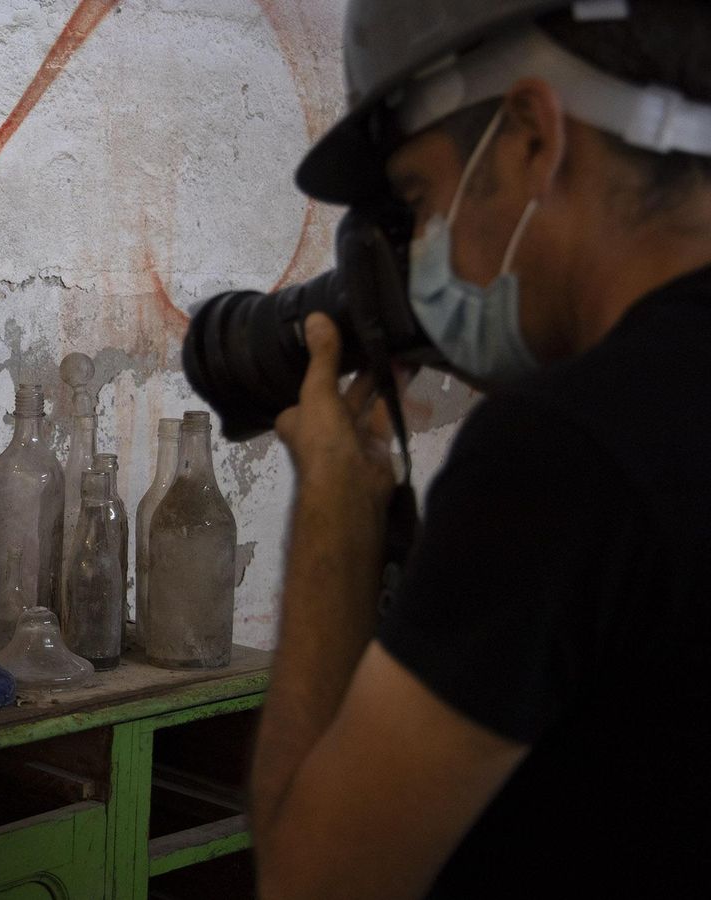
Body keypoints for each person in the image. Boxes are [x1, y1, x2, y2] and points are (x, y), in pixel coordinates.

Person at [247, 1, 711, 897]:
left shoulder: (565, 452)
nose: (431, 253)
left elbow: (314, 888)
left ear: (532, 137)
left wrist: (336, 508)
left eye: (423, 200)